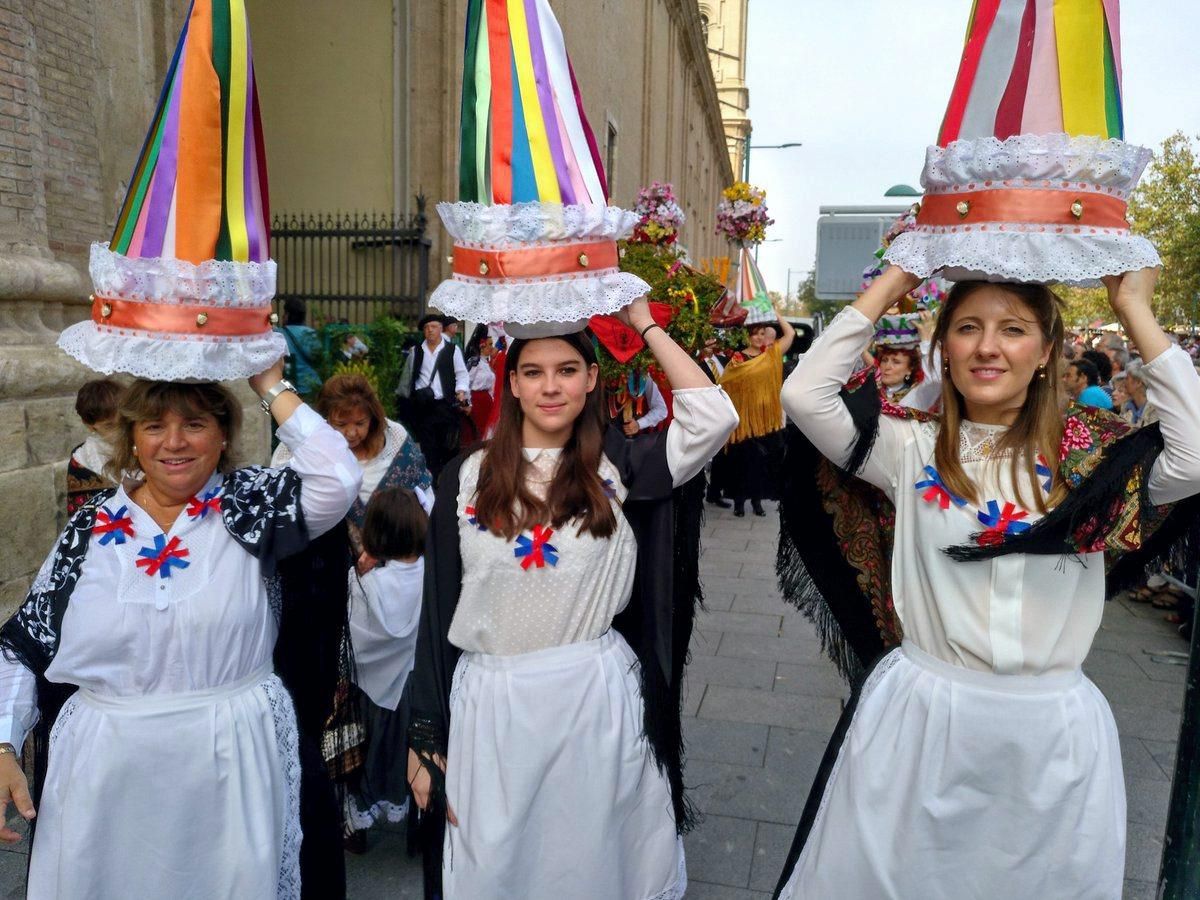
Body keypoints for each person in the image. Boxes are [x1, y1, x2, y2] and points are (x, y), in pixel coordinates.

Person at [773, 266, 1200, 899]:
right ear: (944, 346)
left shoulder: (1091, 461)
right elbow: (805, 394)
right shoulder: (908, 446)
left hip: (1050, 736)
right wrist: (900, 276)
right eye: (967, 328)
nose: (988, 346)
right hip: (921, 720)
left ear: (1047, 350)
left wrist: (1133, 306)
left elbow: (1193, 456)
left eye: (1014, 330)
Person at [406, 297, 738, 900]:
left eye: (566, 371)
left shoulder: (623, 467)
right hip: (493, 706)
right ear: (511, 384)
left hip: (593, 702)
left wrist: (640, 318)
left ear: (591, 380)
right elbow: (437, 607)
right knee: (494, 869)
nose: (550, 387)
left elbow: (713, 415)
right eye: (533, 372)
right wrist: (425, 732)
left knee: (590, 869)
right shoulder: (466, 476)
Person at [0, 360, 362, 898]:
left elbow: (337, 475)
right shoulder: (92, 526)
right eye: (154, 426)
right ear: (131, 440)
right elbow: (22, 646)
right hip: (108, 776)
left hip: (230, 762)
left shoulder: (247, 505)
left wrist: (268, 383)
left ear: (222, 437)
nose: (174, 442)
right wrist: (4, 745)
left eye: (194, 424)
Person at [344, 487, 427, 842]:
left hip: (369, 687)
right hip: (413, 683)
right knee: (409, 753)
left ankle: (358, 822)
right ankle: (416, 817)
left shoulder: (365, 581)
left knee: (367, 754)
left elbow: (352, 632)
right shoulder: (431, 572)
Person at [274, 373, 432, 542]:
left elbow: (424, 498)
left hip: (395, 553)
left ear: (372, 417)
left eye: (360, 423)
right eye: (341, 424)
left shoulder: (395, 438)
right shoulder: (305, 446)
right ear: (326, 419)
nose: (351, 433)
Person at [719, 306, 796, 516]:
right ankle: (739, 503)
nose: (758, 337)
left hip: (766, 420)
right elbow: (724, 383)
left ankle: (757, 502)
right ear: (748, 334)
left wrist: (776, 313)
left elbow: (791, 333)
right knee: (741, 463)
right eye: (755, 332)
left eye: (762, 333)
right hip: (744, 421)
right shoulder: (737, 359)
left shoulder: (771, 354)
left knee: (762, 464)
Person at [398, 313, 470, 483]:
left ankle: (447, 480)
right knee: (428, 448)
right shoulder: (416, 352)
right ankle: (432, 481)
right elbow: (408, 378)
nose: (430, 330)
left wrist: (461, 393)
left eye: (434, 327)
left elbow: (462, 374)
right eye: (426, 328)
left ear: (440, 329)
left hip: (446, 406)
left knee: (449, 446)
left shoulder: (452, 350)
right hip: (425, 407)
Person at [67, 378, 123, 514]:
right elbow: (82, 515)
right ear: (89, 425)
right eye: (109, 425)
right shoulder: (83, 460)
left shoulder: (143, 444)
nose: (121, 430)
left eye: (124, 421)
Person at [275, 297, 324, 399]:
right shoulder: (312, 334)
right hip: (313, 387)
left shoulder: (278, 334)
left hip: (290, 388)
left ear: (287, 315)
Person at [463, 324, 497, 443]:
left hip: (486, 401)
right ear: (482, 346)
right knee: (477, 431)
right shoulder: (475, 361)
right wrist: (468, 402)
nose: (492, 348)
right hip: (476, 400)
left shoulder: (486, 363)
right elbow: (467, 382)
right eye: (490, 345)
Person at [1123, 358, 1157, 425]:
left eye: (1127, 379)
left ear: (1138, 382)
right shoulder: (1126, 406)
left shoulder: (1154, 410)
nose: (1124, 383)